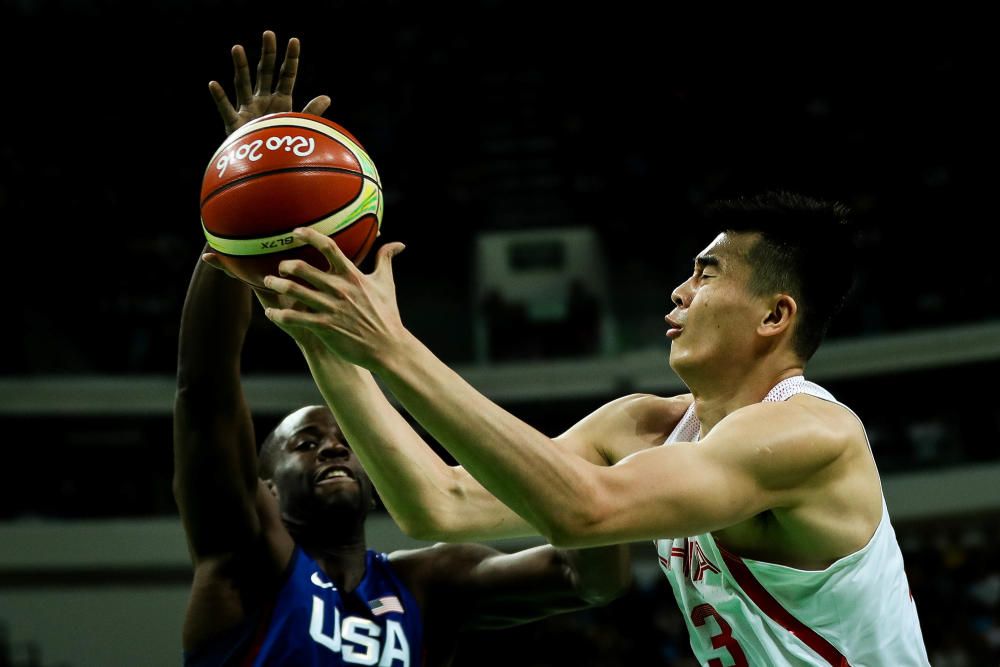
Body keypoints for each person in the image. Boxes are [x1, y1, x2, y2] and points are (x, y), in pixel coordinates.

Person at [259, 192, 932, 664]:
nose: (680, 290)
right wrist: (316, 331)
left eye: (706, 273)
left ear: (773, 316)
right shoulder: (642, 426)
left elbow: (583, 509)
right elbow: (436, 502)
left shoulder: (814, 435)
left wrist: (392, 345)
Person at [176, 31, 631, 666]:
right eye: (305, 444)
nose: (335, 445)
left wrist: (591, 474)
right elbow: (205, 392)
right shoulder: (245, 565)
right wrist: (241, 215)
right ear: (266, 490)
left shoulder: (430, 584)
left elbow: (591, 581)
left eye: (344, 440)